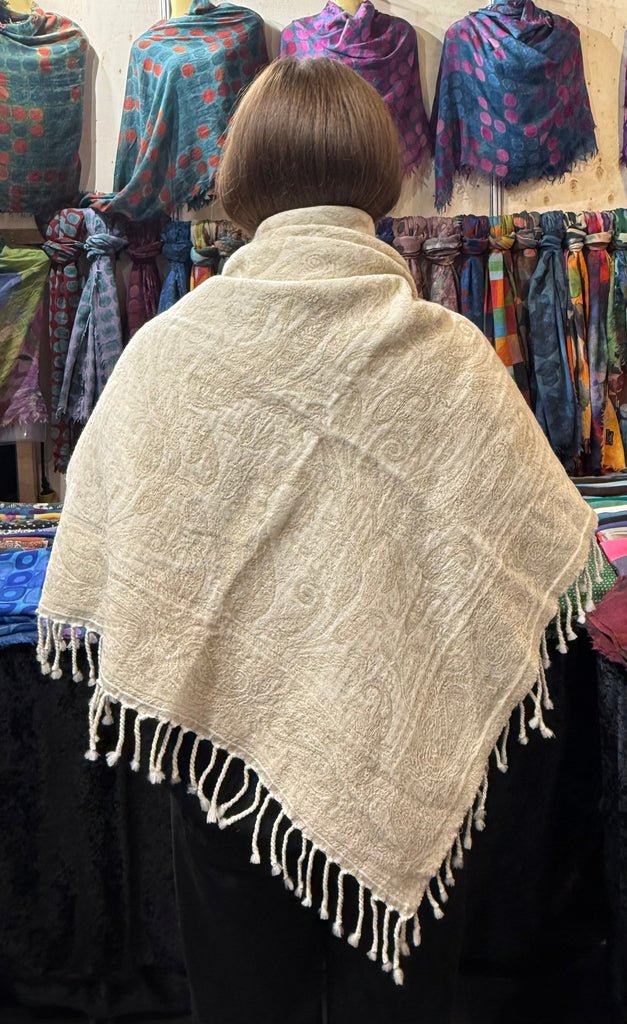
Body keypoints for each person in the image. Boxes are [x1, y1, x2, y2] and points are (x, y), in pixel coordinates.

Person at [38, 58, 599, 1024]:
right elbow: (542, 553)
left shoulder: (169, 352)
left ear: (240, 178)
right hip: (401, 751)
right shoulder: (448, 355)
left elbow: (113, 543)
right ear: (378, 173)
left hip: (224, 765)